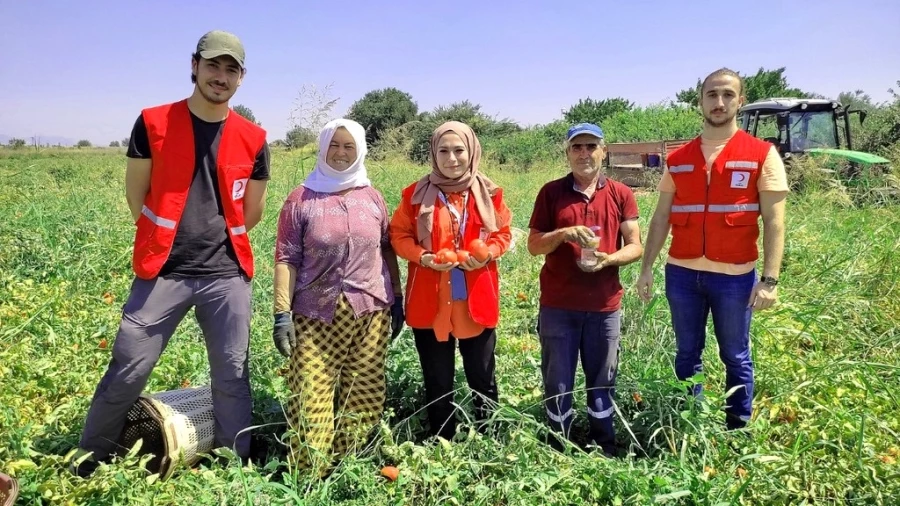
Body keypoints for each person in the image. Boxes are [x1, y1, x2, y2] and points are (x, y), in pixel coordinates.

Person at [70, 30, 270, 477]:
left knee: (232, 375)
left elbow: (251, 211)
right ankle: (89, 461)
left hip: (226, 274)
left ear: (242, 79)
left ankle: (235, 465)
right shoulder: (154, 122)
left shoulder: (253, 137)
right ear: (194, 66)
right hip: (163, 271)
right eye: (213, 65)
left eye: (231, 69)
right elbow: (136, 196)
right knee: (127, 368)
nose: (221, 76)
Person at [636, 68, 789, 430]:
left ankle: (737, 427)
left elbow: (775, 222)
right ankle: (692, 422)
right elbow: (660, 220)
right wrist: (645, 269)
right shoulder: (679, 158)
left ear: (740, 101)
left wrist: (770, 279)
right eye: (711, 95)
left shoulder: (761, 155)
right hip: (683, 275)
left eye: (727, 95)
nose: (719, 102)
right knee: (687, 353)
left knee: (735, 355)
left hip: (734, 279)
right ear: (700, 101)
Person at [272, 118, 404, 477]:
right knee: (311, 396)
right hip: (315, 316)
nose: (342, 153)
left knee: (364, 393)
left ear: (360, 150)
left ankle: (350, 470)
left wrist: (398, 296)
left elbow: (387, 248)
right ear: (323, 148)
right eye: (335, 145)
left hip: (371, 310)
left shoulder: (372, 197)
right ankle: (311, 476)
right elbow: (286, 258)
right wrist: (281, 313)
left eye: (349, 146)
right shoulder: (301, 199)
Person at [389, 121, 512, 441]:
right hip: (430, 299)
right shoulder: (414, 195)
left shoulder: (491, 193)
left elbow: (503, 233)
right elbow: (398, 235)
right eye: (443, 151)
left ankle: (490, 436)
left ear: (471, 152)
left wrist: (488, 253)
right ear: (433, 153)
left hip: (476, 299)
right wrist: (421, 256)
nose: (452, 158)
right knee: (437, 377)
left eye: (459, 150)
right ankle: (442, 440)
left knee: (482, 375)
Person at [527, 123, 643, 456]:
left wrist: (608, 260)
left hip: (605, 306)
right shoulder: (551, 193)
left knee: (602, 379)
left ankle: (603, 445)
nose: (584, 154)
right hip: (559, 305)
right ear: (567, 153)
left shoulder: (621, 193)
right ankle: (558, 445)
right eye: (576, 147)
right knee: (557, 380)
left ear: (603, 152)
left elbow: (635, 246)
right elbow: (534, 246)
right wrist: (563, 234)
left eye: (591, 146)